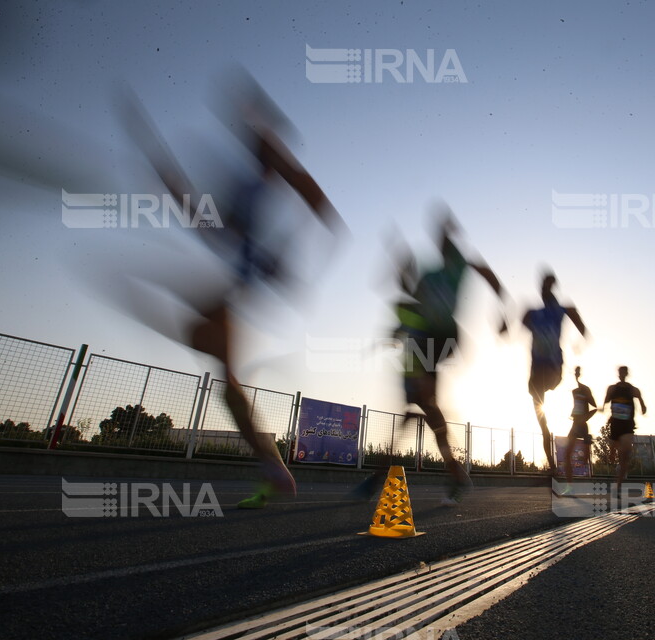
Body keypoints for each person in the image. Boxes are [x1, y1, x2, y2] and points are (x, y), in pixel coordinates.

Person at [119, 75, 346, 508]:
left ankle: (275, 468)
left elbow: (317, 204)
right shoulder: (245, 184)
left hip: (244, 283)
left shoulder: (269, 170)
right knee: (227, 382)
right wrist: (166, 176)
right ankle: (276, 472)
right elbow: (209, 225)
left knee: (205, 349)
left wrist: (286, 262)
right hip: (241, 282)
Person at [355, 209, 508, 506]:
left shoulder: (458, 265)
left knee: (423, 408)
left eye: (446, 240)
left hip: (443, 337)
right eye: (439, 239)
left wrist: (504, 306)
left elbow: (486, 272)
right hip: (424, 345)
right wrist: (402, 268)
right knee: (423, 413)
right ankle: (454, 473)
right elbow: (410, 293)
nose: (441, 244)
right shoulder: (429, 275)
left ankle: (387, 474)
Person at [522, 272, 587, 472]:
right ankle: (551, 466)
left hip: (551, 368)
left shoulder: (560, 309)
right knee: (543, 425)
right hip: (537, 372)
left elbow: (575, 316)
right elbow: (524, 320)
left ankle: (552, 463)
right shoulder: (533, 312)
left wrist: (582, 335)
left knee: (541, 408)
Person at [602, 366, 646, 484]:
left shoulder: (632, 390)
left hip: (627, 425)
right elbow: (606, 400)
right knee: (612, 455)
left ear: (626, 374)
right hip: (615, 424)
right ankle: (612, 454)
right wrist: (604, 405)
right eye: (620, 372)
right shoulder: (612, 388)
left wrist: (643, 407)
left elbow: (641, 401)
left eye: (624, 372)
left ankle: (619, 483)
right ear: (618, 374)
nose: (622, 374)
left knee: (624, 456)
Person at [562, 366, 597, 481]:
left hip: (582, 424)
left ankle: (585, 477)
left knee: (585, 457)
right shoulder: (574, 391)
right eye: (575, 373)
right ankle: (569, 484)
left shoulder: (586, 390)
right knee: (567, 454)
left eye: (577, 373)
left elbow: (595, 407)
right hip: (575, 424)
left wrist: (585, 418)